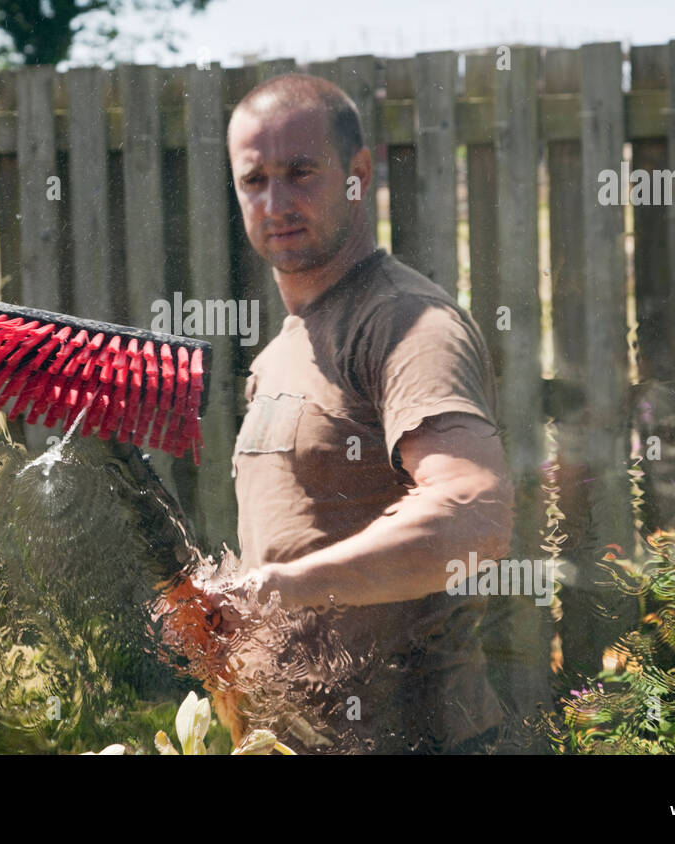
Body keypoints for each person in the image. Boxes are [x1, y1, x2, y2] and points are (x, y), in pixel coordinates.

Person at [203, 73, 513, 754]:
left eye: (301, 172)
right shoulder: (281, 353)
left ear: (358, 174)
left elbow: (474, 514)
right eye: (254, 181)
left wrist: (275, 589)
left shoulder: (406, 323)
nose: (276, 201)